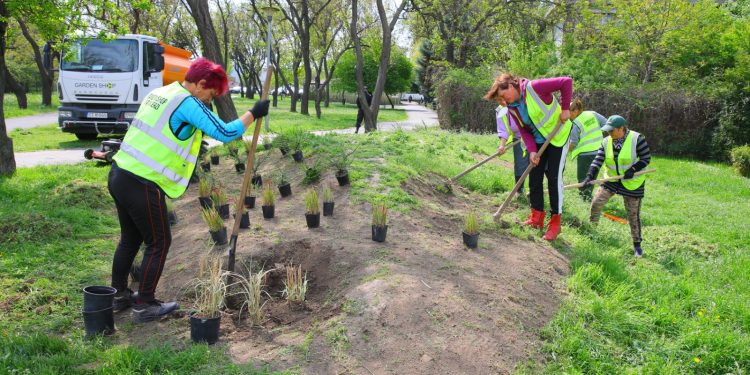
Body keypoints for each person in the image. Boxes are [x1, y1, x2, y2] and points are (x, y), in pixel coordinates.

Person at [108, 58, 270, 322]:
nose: (209, 100)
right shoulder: (188, 102)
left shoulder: (162, 92)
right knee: (159, 242)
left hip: (120, 174)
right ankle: (145, 303)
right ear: (201, 84)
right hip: (142, 182)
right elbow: (225, 132)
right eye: (211, 94)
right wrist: (254, 112)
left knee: (130, 239)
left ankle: (119, 296)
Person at [484, 73, 574, 241]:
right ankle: (536, 217)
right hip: (539, 140)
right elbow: (524, 130)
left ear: (511, 85)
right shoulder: (512, 108)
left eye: (504, 96)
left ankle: (555, 223)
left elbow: (566, 82)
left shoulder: (535, 87)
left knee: (554, 179)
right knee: (534, 177)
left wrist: (565, 109)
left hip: (559, 136)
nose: (504, 101)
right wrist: (532, 151)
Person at [582, 115, 651, 257]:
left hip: (632, 181)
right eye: (608, 131)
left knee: (632, 214)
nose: (609, 134)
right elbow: (598, 160)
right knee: (596, 203)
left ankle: (637, 246)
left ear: (621, 129)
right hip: (612, 179)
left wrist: (632, 170)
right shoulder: (606, 141)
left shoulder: (637, 139)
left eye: (612, 131)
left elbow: (646, 158)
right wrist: (589, 175)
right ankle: (592, 232)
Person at [567, 98, 607, 201]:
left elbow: (573, 143)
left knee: (583, 177)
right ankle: (587, 196)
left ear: (575, 111)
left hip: (585, 155)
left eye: (569, 111)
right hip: (599, 152)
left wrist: (565, 150)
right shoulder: (592, 114)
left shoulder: (576, 123)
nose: (568, 115)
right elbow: (607, 124)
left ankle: (585, 198)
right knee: (592, 175)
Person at [491, 102, 530, 194]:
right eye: (498, 99)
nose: (501, 101)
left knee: (536, 164)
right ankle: (519, 191)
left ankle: (534, 191)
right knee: (520, 164)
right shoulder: (500, 110)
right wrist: (502, 145)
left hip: (534, 136)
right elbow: (503, 129)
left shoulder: (523, 102)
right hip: (518, 138)